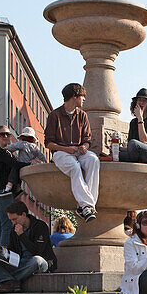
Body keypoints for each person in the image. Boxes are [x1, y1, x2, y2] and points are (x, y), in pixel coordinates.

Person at [45, 83, 99, 221]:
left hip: (78, 151)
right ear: (74, 97)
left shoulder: (82, 115)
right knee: (75, 168)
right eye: (82, 97)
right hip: (61, 152)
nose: (84, 100)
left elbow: (87, 139)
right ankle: (87, 206)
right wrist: (66, 149)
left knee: (93, 160)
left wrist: (85, 147)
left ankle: (86, 206)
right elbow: (49, 143)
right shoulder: (54, 115)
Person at [0, 200, 57, 293]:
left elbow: (38, 251)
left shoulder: (40, 226)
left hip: (41, 262)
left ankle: (7, 281)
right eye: (11, 220)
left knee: (36, 260)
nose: (13, 223)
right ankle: (9, 281)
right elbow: (13, 251)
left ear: (23, 214)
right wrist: (3, 254)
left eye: (15, 219)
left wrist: (22, 235)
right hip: (20, 262)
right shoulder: (13, 230)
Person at [0, 125, 27, 247]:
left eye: (8, 134)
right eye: (2, 134)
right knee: (7, 226)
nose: (6, 136)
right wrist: (28, 164)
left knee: (1, 225)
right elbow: (14, 164)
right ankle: (3, 256)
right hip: (3, 193)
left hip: (4, 193)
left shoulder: (10, 153)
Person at [118, 88, 147, 165]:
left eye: (144, 101)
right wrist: (118, 148)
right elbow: (131, 148)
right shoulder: (133, 123)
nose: (141, 103)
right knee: (116, 156)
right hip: (138, 154)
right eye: (139, 100)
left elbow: (143, 140)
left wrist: (140, 119)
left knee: (133, 143)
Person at [3, 126, 47, 194]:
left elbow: (12, 147)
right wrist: (38, 161)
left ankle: (8, 186)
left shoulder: (22, 144)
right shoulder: (35, 147)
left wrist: (5, 149)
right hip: (29, 165)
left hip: (21, 163)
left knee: (14, 171)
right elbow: (42, 157)